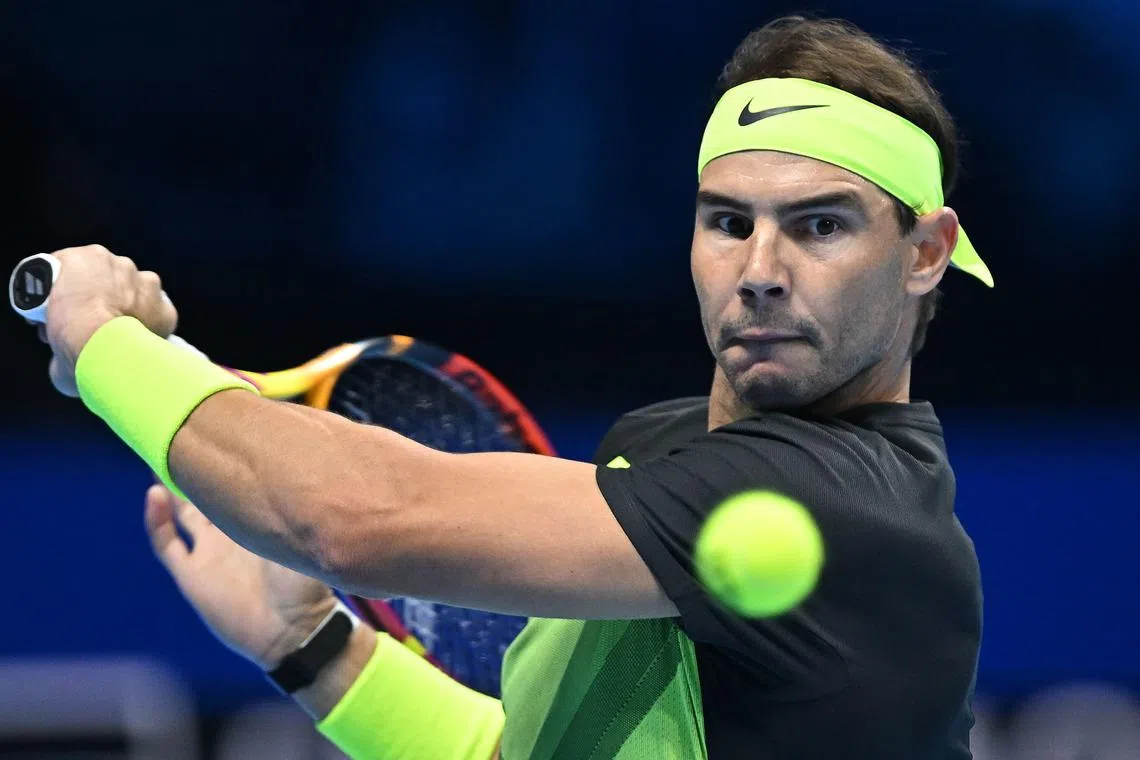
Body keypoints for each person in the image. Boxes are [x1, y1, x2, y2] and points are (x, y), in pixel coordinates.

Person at [32, 15, 990, 760]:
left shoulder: (849, 505)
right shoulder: (659, 445)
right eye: (728, 221)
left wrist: (103, 344)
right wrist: (312, 649)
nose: (760, 268)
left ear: (924, 253)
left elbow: (353, 519)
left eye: (821, 226)